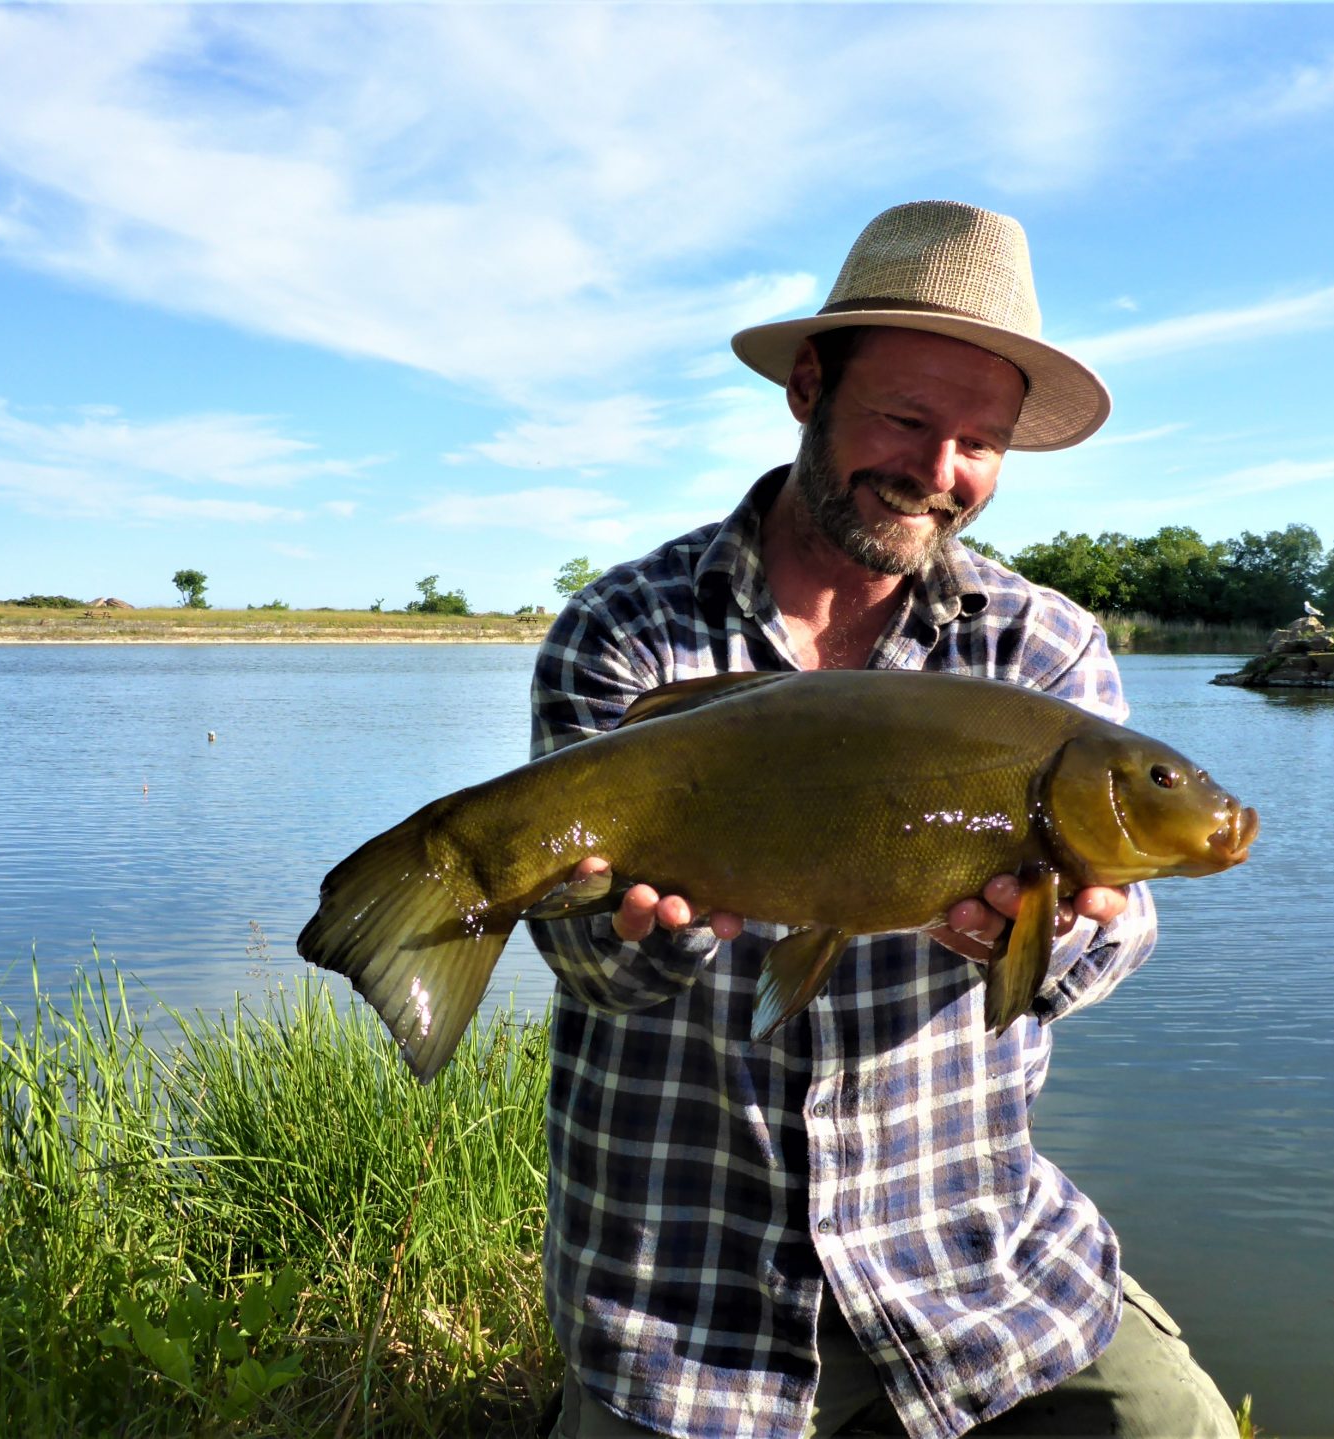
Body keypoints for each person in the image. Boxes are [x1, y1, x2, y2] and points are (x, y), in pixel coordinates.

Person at [528, 201, 1236, 1439]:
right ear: (809, 386)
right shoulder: (628, 630)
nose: (939, 469)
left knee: (1177, 1424)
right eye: (907, 419)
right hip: (685, 1298)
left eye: (982, 440)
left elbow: (1119, 941)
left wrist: (1053, 927)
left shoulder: (1045, 645)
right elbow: (587, 965)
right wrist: (659, 925)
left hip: (970, 1265)